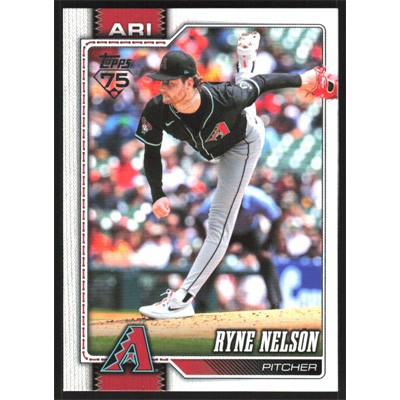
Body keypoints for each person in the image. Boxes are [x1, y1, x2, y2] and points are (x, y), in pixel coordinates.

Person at [135, 31, 332, 319]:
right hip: (219, 140)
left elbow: (262, 83)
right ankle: (245, 63)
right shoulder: (157, 108)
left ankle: (181, 301)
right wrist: (157, 193)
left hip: (243, 143)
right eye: (161, 81)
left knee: (218, 227)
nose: (162, 87)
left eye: (170, 82)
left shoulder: (223, 97)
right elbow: (151, 152)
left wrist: (303, 79)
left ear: (190, 82)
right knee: (243, 94)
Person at [194, 185, 283, 311]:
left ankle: (275, 302)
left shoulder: (255, 197)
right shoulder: (217, 197)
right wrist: (206, 242)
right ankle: (201, 304)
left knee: (266, 259)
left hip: (250, 231)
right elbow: (198, 217)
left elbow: (276, 216)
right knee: (210, 261)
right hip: (226, 232)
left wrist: (267, 244)